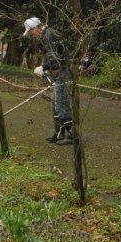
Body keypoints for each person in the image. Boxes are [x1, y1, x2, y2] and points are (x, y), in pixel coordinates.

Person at [23, 16, 73, 145]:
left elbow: (56, 57)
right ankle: (60, 133)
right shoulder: (47, 35)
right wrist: (46, 69)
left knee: (61, 103)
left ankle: (72, 135)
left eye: (30, 32)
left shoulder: (50, 35)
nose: (30, 35)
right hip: (59, 71)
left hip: (64, 71)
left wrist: (43, 67)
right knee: (55, 104)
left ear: (35, 28)